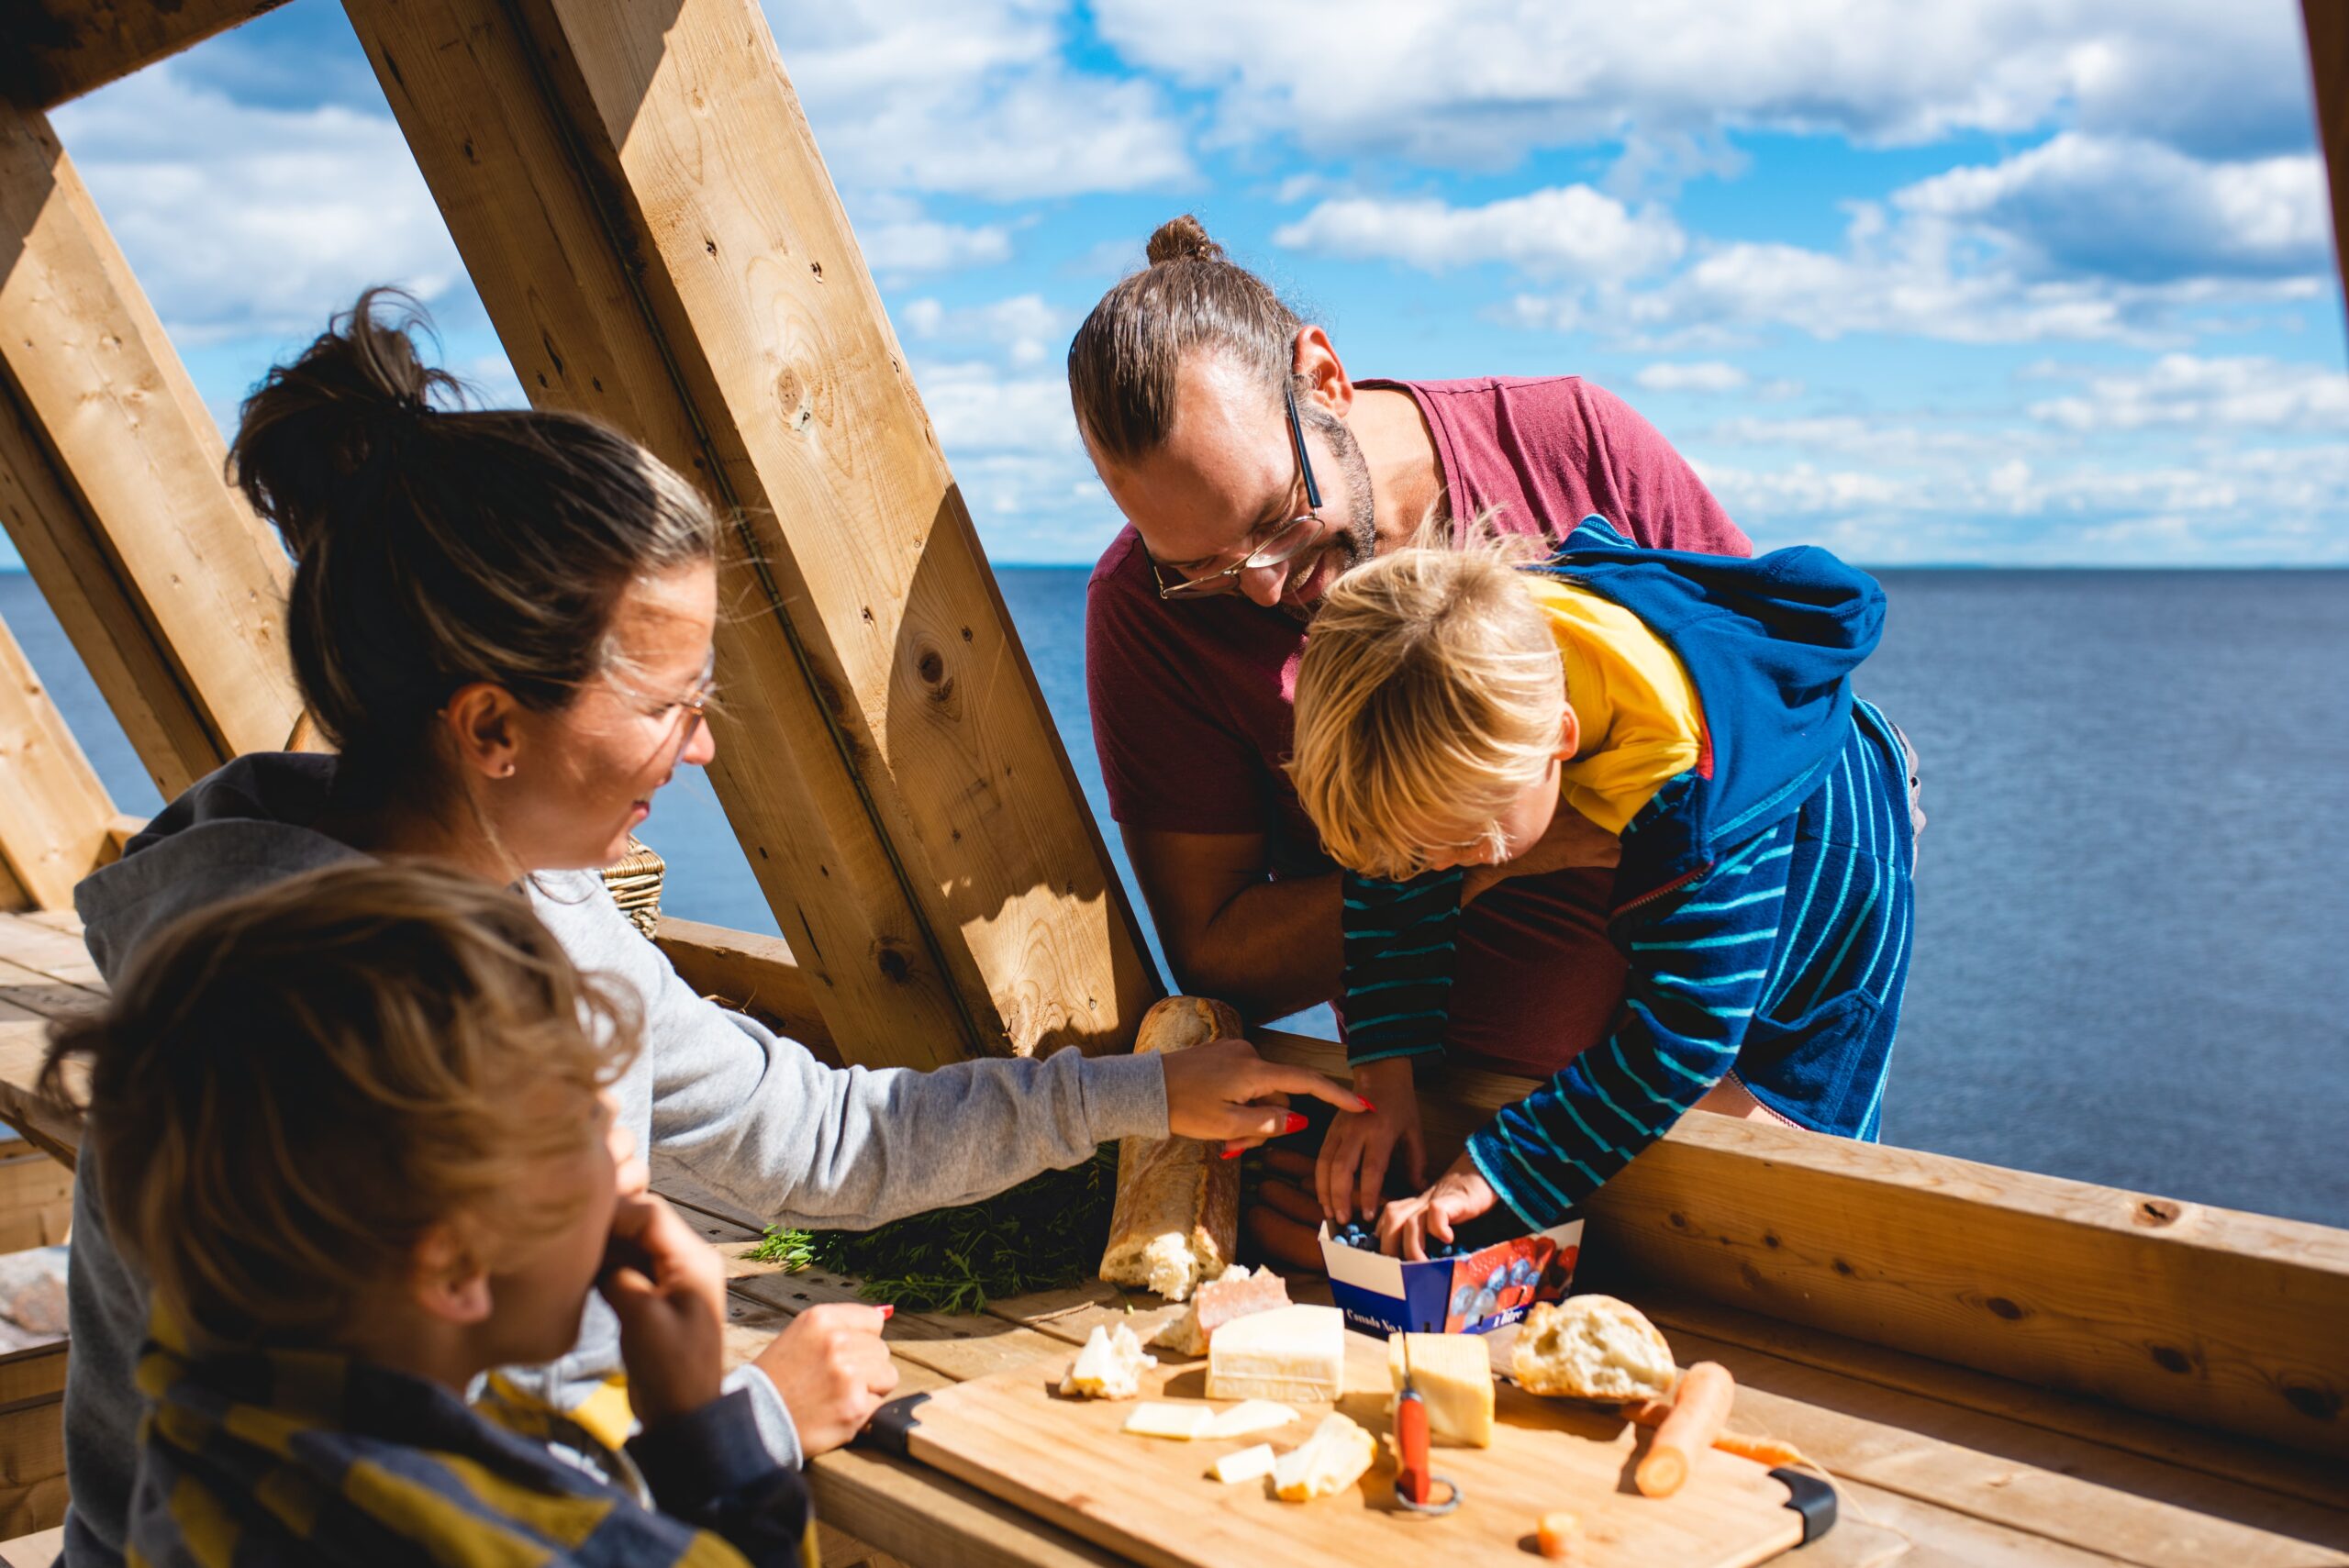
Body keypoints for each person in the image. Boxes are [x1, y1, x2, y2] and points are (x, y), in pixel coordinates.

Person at [58, 289, 1362, 1567]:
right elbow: (392, 1486)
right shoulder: (301, 1046)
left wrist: (1141, 1094)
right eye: (672, 703)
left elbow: (813, 1135)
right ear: (493, 727)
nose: (705, 744)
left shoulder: (532, 903)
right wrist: (748, 1422)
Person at [1068, 216, 1757, 1262]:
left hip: (1704, 1099)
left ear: (1324, 376)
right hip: (1433, 1144)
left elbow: (1771, 749)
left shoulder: (1571, 443)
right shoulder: (1147, 611)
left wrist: (1786, 1082)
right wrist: (1473, 870)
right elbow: (1217, 951)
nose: (1256, 585)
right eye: (1199, 565)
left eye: (1272, 517)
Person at [45, 862, 818, 1566]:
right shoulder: (531, 1547)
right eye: (586, 1130)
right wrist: (708, 1435)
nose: (625, 1158)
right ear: (452, 1267)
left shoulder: (211, 1409)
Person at [1286, 519, 1920, 1253]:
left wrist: (1493, 1169)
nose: (1434, 870)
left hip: (1828, 823)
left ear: (1557, 738)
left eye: (1466, 845)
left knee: (1784, 1118)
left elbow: (1687, 1032)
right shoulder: (1458, 650)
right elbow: (1392, 876)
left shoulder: (1691, 801)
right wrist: (1384, 1073)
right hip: (1686, 746)